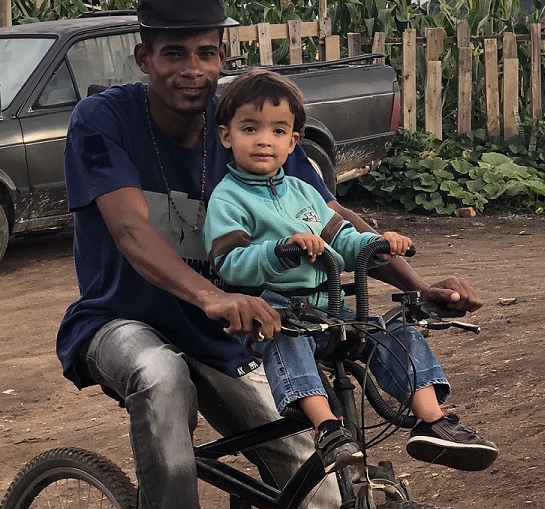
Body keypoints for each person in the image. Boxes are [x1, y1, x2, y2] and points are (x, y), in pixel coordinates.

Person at [55, 0, 489, 509]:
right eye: (173, 53)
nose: (192, 70)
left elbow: (332, 221)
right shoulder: (104, 122)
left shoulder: (247, 123)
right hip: (121, 322)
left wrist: (419, 284)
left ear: (223, 53)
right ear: (144, 56)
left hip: (228, 338)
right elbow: (130, 232)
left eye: (206, 52)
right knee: (161, 378)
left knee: (310, 467)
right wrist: (212, 294)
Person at [205, 69, 499, 474]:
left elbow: (343, 240)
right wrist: (281, 250)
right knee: (285, 340)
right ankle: (327, 428)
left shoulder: (305, 193)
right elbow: (229, 262)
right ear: (226, 136)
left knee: (394, 332)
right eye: (250, 128)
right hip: (274, 311)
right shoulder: (228, 198)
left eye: (277, 131)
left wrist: (377, 245)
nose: (263, 140)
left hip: (328, 308)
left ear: (293, 142)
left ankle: (432, 420)